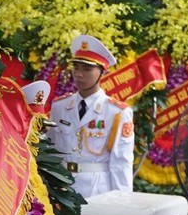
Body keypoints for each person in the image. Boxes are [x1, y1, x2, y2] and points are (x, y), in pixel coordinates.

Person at [45, 33, 133, 198]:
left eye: (87, 69)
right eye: (76, 67)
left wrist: (122, 204)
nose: (79, 74)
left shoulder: (117, 112)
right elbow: (51, 151)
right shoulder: (60, 106)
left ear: (102, 72)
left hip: (98, 188)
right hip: (62, 186)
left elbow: (121, 163)